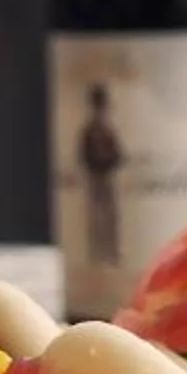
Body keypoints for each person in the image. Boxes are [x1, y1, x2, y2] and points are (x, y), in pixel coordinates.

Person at [81, 81, 123, 266]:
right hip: (98, 178)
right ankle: (99, 255)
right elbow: (85, 155)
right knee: (99, 217)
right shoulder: (92, 130)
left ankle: (110, 254)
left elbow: (117, 153)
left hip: (106, 177)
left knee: (110, 216)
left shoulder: (106, 129)